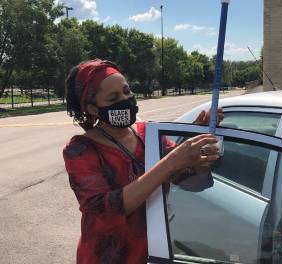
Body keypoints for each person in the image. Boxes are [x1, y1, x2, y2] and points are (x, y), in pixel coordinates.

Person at [63, 59, 223, 263]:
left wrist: (199, 149)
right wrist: (171, 162)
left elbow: (190, 181)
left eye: (126, 91)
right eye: (114, 98)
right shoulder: (80, 149)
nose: (125, 99)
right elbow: (103, 210)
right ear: (93, 109)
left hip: (154, 251)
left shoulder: (150, 134)